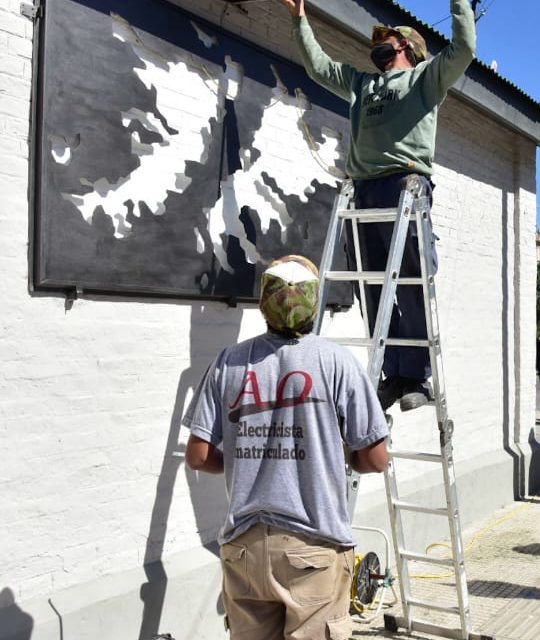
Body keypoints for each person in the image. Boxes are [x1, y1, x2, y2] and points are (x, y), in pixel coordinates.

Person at [184, 255, 391, 639]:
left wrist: (248, 457)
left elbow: (198, 456)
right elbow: (376, 459)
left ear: (264, 302)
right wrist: (339, 453)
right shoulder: (337, 362)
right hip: (312, 547)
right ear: (314, 303)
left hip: (243, 548)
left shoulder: (229, 362)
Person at [283, 0, 476, 412]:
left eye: (386, 43)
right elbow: (320, 68)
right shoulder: (363, 85)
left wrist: (460, 5)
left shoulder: (426, 79)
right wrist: (299, 19)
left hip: (404, 185)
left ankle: (416, 376)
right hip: (363, 189)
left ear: (406, 48)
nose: (378, 50)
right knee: (371, 286)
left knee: (408, 281)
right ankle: (392, 373)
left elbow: (463, 50)